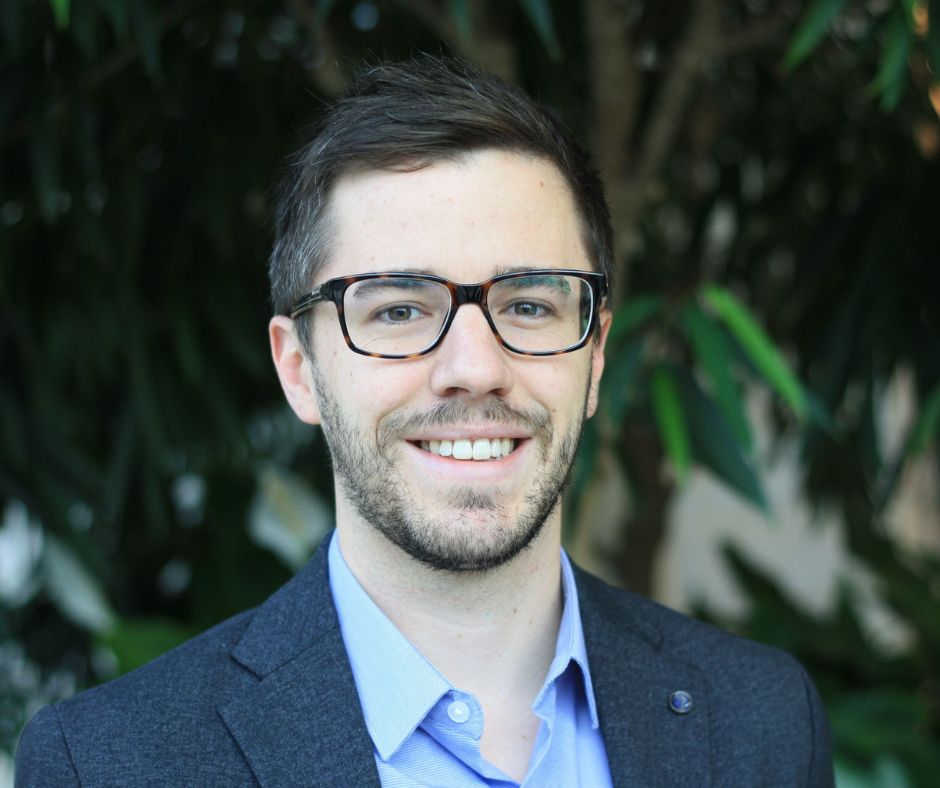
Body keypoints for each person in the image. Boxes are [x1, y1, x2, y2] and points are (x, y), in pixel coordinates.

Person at [15, 56, 833, 787]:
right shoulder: (110, 765)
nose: (474, 367)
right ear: (298, 368)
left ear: (596, 357)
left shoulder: (762, 722)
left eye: (529, 304)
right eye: (401, 308)